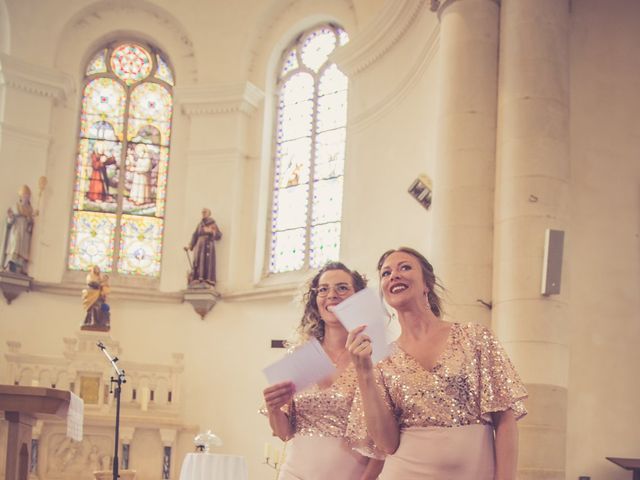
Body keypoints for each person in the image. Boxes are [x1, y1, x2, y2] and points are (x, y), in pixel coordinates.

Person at [346, 247, 527, 480]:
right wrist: (364, 373)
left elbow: (505, 420)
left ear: (426, 284)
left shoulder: (474, 337)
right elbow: (387, 444)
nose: (394, 275)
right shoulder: (384, 360)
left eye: (405, 267)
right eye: (386, 273)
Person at [262, 262, 384, 480]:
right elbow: (284, 433)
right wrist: (273, 409)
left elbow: (384, 440)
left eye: (342, 288)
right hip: (293, 474)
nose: (331, 295)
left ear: (358, 297)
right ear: (315, 299)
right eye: (323, 289)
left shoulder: (373, 356)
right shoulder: (302, 356)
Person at [2, 184, 36, 274]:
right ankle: (10, 264)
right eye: (25, 196)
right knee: (15, 244)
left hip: (24, 233)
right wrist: (10, 217)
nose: (26, 198)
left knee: (22, 249)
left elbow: (30, 225)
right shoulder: (15, 207)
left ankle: (19, 266)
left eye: (28, 196)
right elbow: (9, 222)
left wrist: (30, 221)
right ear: (21, 196)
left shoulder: (30, 209)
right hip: (16, 229)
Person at [186, 208, 222, 286]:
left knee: (207, 262)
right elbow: (195, 235)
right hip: (199, 246)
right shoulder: (200, 224)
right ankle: (198, 279)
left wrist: (211, 231)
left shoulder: (213, 224)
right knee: (198, 261)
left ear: (209, 213)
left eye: (205, 212)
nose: (203, 213)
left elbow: (219, 235)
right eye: (202, 212)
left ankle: (207, 280)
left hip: (208, 245)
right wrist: (190, 246)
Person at [82, 265, 111, 329]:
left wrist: (104, 288)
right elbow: (91, 283)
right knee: (95, 307)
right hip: (91, 295)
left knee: (105, 308)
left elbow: (105, 287)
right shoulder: (90, 276)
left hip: (99, 297)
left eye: (98, 269)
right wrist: (100, 284)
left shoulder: (100, 277)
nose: (97, 270)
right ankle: (93, 322)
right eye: (96, 269)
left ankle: (102, 323)